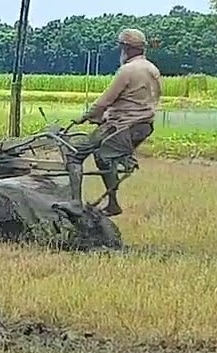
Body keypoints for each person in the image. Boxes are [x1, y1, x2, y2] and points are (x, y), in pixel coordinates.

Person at [66, 27, 160, 216]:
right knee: (103, 156)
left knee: (75, 155)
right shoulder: (152, 69)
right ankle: (112, 201)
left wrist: (84, 117)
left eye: (122, 48)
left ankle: (76, 203)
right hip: (142, 125)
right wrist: (105, 116)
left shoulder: (127, 70)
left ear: (127, 48)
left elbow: (105, 100)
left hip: (122, 125)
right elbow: (135, 99)